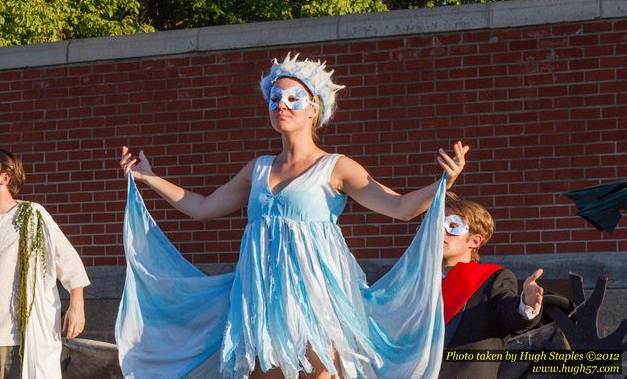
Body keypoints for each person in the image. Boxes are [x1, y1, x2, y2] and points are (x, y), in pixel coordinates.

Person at [118, 53, 469, 379]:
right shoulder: (257, 170)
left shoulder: (336, 166)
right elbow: (202, 208)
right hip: (260, 297)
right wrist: (150, 178)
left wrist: (442, 184)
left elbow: (400, 208)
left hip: (317, 299)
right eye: (274, 99)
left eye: (293, 99)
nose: (281, 105)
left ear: (314, 108)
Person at [0, 149, 90, 379]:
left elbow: (68, 259)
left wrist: (77, 303)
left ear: (4, 178)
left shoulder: (32, 216)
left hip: (13, 340)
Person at [439, 192, 544, 379]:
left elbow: (508, 313)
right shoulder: (415, 282)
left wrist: (526, 304)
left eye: (453, 226)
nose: (441, 231)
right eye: (437, 225)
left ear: (475, 240)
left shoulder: (492, 279)